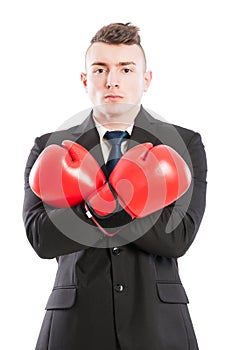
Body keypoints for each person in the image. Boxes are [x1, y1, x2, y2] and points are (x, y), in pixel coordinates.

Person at [23, 23, 207, 350]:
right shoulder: (48, 148)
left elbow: (178, 238)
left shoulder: (182, 145)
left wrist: (100, 204)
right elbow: (41, 239)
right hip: (75, 325)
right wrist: (107, 203)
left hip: (159, 325)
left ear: (145, 79)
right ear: (85, 80)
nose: (112, 80)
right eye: (100, 69)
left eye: (125, 68)